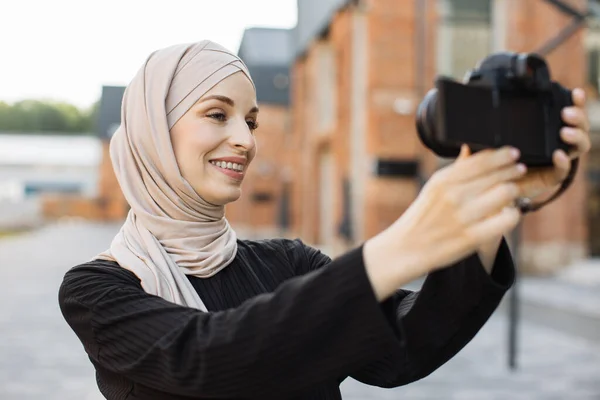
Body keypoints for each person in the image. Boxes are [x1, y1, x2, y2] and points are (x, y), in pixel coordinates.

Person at [58, 40, 591, 400]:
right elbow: (208, 356)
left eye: (251, 120)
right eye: (217, 115)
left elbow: (404, 347)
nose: (244, 140)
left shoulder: (289, 262)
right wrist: (402, 245)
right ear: (154, 131)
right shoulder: (97, 290)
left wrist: (496, 203)